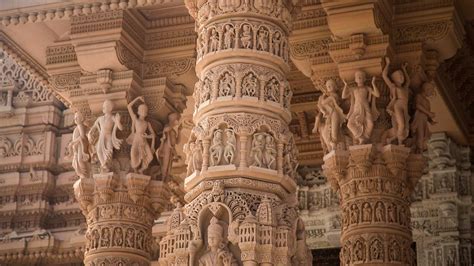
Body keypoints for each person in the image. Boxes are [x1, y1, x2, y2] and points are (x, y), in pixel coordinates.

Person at [342, 70, 380, 145]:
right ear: (355, 79)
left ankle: (365, 137)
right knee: (349, 124)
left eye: (361, 76)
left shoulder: (367, 88)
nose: (359, 77)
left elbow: (377, 94)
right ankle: (359, 137)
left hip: (365, 107)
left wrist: (373, 83)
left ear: (365, 79)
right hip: (356, 107)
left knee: (371, 123)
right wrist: (345, 86)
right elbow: (343, 96)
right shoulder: (353, 89)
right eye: (357, 77)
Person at [88, 100, 123, 172]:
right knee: (99, 151)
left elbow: (121, 128)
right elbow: (93, 128)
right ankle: (103, 165)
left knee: (109, 152)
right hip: (101, 137)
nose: (103, 108)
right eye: (103, 106)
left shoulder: (112, 117)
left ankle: (106, 165)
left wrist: (118, 121)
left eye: (105, 106)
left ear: (110, 108)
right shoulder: (100, 118)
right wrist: (89, 134)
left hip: (109, 136)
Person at [127, 96, 155, 174]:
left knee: (150, 156)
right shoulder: (136, 119)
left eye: (145, 110)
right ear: (138, 111)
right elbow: (129, 107)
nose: (143, 111)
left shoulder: (147, 123)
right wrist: (138, 98)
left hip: (144, 140)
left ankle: (141, 169)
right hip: (136, 139)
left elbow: (153, 135)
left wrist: (147, 136)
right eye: (142, 109)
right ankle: (135, 168)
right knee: (133, 154)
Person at [156, 113, 180, 179]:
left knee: (169, 165)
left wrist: (179, 131)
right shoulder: (168, 126)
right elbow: (166, 130)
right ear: (172, 119)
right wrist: (173, 124)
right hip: (167, 147)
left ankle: (165, 177)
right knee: (165, 163)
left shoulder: (173, 130)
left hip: (171, 148)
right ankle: (163, 177)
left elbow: (177, 141)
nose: (177, 120)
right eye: (176, 119)